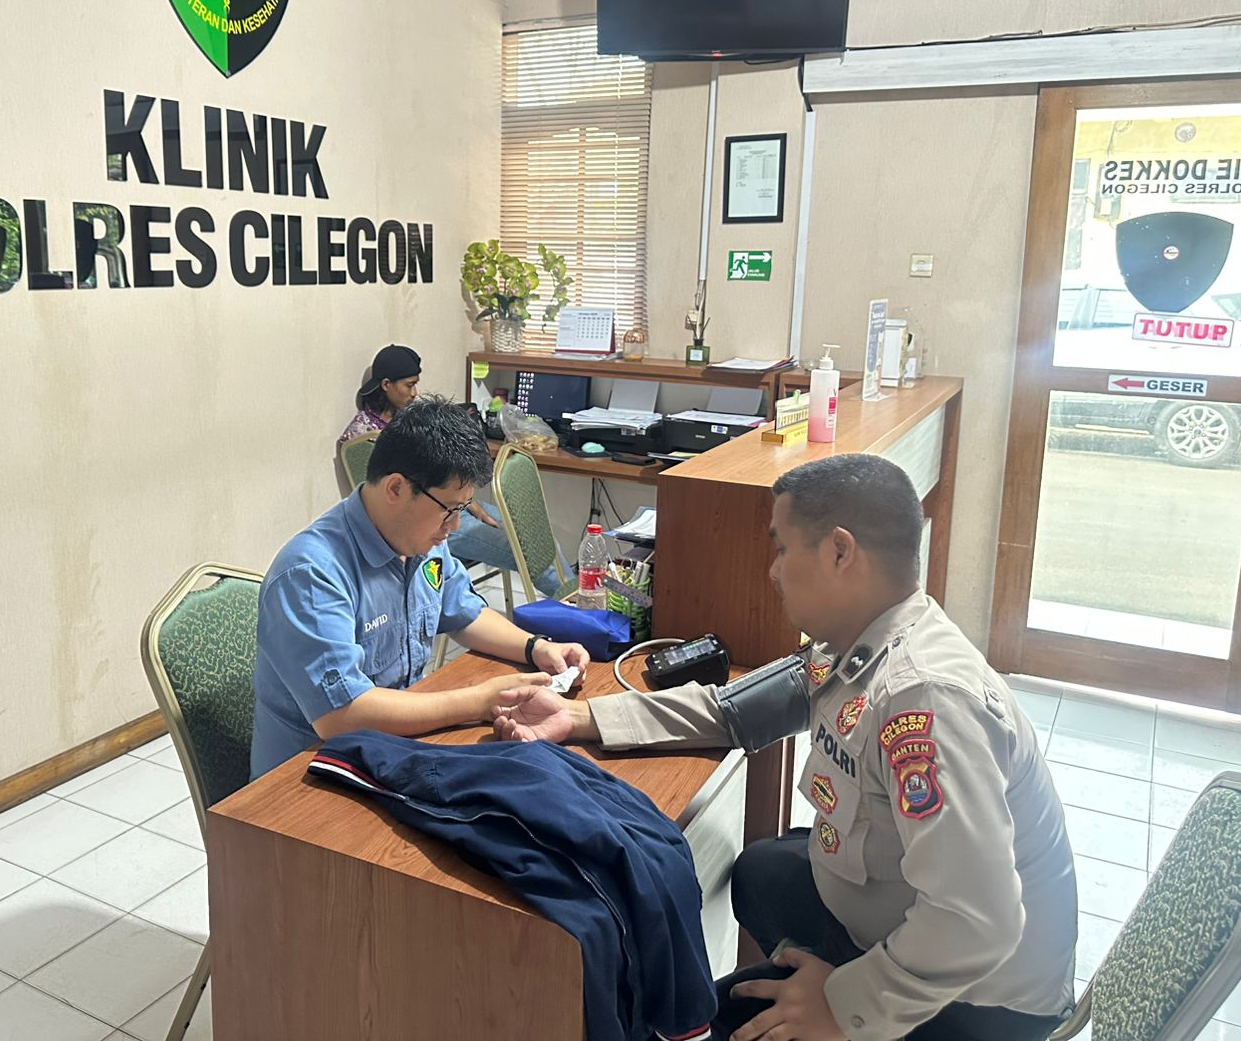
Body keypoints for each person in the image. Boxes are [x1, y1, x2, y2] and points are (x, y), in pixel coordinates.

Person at [490, 454, 1078, 1041]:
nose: (773, 571)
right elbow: (730, 710)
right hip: (914, 927)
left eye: (783, 548)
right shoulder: (855, 642)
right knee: (763, 873)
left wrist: (842, 1007)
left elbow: (978, 920)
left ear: (840, 551)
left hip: (975, 1002)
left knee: (721, 1020)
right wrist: (581, 716)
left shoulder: (925, 697)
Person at [252, 395, 591, 779]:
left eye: (462, 509)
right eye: (450, 509)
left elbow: (463, 612)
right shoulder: (311, 574)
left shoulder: (418, 539)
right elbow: (342, 715)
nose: (455, 526)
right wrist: (480, 700)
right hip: (307, 777)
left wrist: (538, 648)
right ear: (396, 488)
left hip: (388, 748)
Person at [338, 343, 565, 596]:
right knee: (528, 550)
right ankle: (577, 608)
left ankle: (580, 597)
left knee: (539, 538)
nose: (414, 393)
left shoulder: (411, 420)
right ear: (386, 384)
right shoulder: (364, 436)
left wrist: (467, 504)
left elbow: (440, 474)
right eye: (409, 385)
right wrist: (462, 508)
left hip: (452, 506)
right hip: (428, 518)